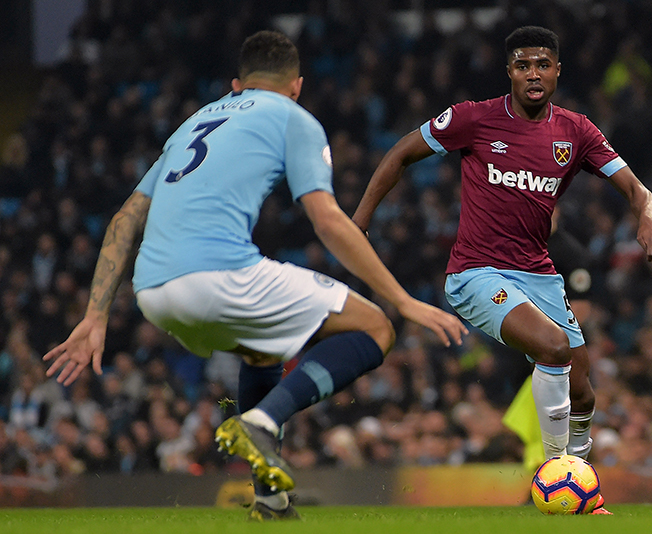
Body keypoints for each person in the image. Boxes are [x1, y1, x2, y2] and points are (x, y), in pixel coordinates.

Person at [43, 30, 467, 521]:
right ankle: (263, 420)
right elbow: (327, 220)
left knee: (263, 348)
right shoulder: (293, 118)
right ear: (297, 85)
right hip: (216, 275)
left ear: (236, 83)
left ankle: (269, 497)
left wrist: (95, 316)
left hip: (153, 292)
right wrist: (403, 300)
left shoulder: (191, 124)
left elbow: (124, 219)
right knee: (375, 327)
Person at [352, 26, 652, 515]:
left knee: (583, 390)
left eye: (543, 64)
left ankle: (583, 487)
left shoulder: (576, 131)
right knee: (552, 347)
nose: (533, 74)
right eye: (523, 65)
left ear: (557, 71)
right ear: (509, 71)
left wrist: (648, 216)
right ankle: (557, 476)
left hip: (539, 274)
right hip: (476, 273)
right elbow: (402, 152)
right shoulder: (474, 119)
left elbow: (635, 187)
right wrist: (359, 220)